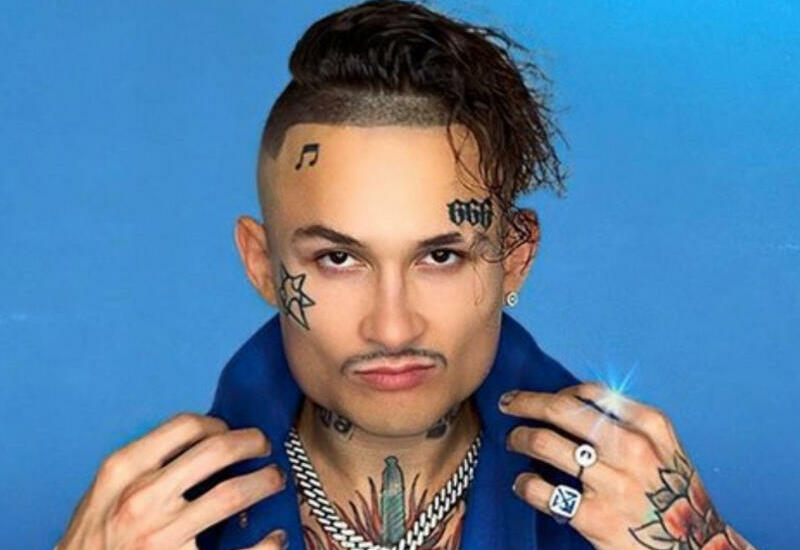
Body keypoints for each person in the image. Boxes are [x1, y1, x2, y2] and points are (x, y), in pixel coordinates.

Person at [55, 1, 758, 549]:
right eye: (338, 259)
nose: (392, 328)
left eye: (441, 256)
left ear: (514, 257)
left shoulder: (635, 514)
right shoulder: (154, 524)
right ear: (262, 264)